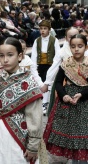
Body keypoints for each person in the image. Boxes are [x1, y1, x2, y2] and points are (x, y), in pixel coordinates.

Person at [43, 34, 88, 164]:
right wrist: (64, 95)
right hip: (68, 104)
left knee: (84, 137)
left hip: (84, 104)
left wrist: (82, 94)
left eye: (80, 46)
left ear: (85, 47)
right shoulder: (66, 64)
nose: (76, 49)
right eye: (73, 46)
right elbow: (57, 83)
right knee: (72, 137)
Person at [31, 20, 60, 114]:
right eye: (41, 29)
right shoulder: (37, 41)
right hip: (40, 64)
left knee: (49, 84)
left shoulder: (54, 40)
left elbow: (57, 55)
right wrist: (34, 66)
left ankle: (46, 102)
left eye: (45, 29)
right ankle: (42, 101)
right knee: (41, 82)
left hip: (50, 65)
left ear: (49, 30)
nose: (42, 31)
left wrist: (54, 66)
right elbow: (34, 55)